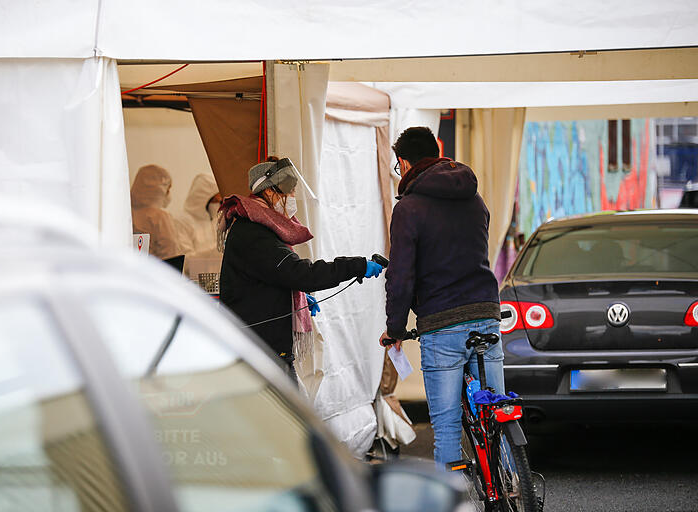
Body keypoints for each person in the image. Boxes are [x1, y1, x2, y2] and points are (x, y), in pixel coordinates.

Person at [379, 127, 503, 470]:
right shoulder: (474, 199)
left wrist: (395, 328)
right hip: (487, 313)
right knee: (496, 414)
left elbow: (401, 275)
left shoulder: (409, 208)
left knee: (447, 428)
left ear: (404, 163)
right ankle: (510, 485)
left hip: (442, 323)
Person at [219, 157, 384, 379]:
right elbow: (300, 274)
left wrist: (296, 298)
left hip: (263, 349)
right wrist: (356, 266)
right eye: (290, 191)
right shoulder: (252, 233)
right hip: (258, 353)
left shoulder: (260, 227)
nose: (292, 198)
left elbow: (273, 276)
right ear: (269, 193)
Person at [130, 164, 180, 260]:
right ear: (159, 190)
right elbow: (171, 255)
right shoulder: (160, 217)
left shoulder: (127, 214)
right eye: (168, 189)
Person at [176, 173, 222, 258]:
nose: (218, 204)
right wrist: (214, 253)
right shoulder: (182, 221)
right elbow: (185, 260)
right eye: (215, 200)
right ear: (203, 199)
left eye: (219, 200)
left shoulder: (216, 220)